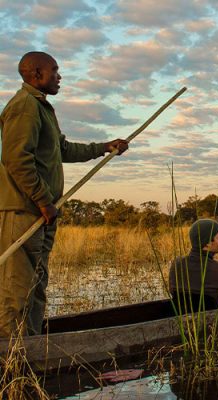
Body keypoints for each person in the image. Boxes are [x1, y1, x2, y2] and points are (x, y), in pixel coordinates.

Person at [0, 51, 129, 338]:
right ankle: (11, 359)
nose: (60, 77)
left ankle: (30, 350)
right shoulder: (24, 107)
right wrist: (44, 201)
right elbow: (16, 159)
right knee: (17, 288)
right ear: (36, 74)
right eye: (54, 71)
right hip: (24, 211)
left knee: (36, 284)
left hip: (40, 212)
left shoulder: (42, 108)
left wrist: (104, 147)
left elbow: (64, 150)